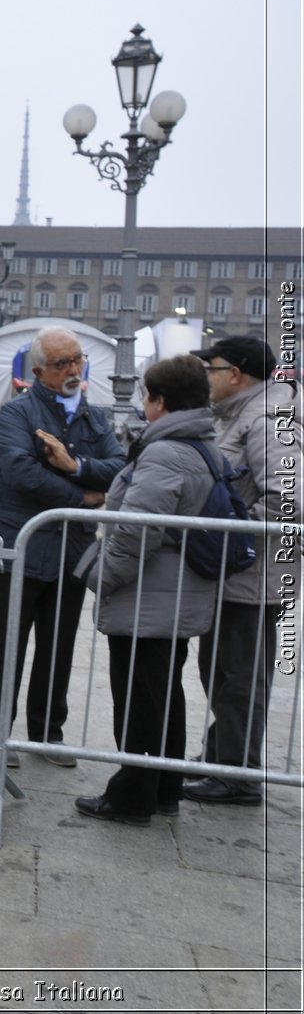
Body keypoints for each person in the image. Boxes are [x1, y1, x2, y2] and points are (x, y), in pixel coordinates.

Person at [75, 355, 219, 825]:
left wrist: (100, 576)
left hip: (149, 596)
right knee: (162, 694)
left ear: (160, 402)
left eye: (147, 395)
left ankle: (132, 796)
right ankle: (164, 788)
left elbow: (136, 532)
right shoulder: (200, 446)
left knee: (139, 699)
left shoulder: (164, 452)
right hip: (173, 595)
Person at [0, 326, 125, 766]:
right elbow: (21, 471)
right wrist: (81, 496)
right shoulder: (17, 414)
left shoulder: (94, 416)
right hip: (19, 547)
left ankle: (48, 733)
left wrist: (74, 464)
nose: (73, 369)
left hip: (70, 550)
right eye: (63, 363)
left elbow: (118, 467)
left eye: (78, 359)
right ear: (39, 370)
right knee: (5, 647)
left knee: (58, 647)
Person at [187, 336, 294, 805]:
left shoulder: (268, 420)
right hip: (235, 570)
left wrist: (232, 529)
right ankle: (225, 755)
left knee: (241, 673)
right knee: (220, 667)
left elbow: (289, 497)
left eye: (210, 368)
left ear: (236, 375)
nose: (205, 376)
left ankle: (238, 773)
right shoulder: (241, 413)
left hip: (255, 571)